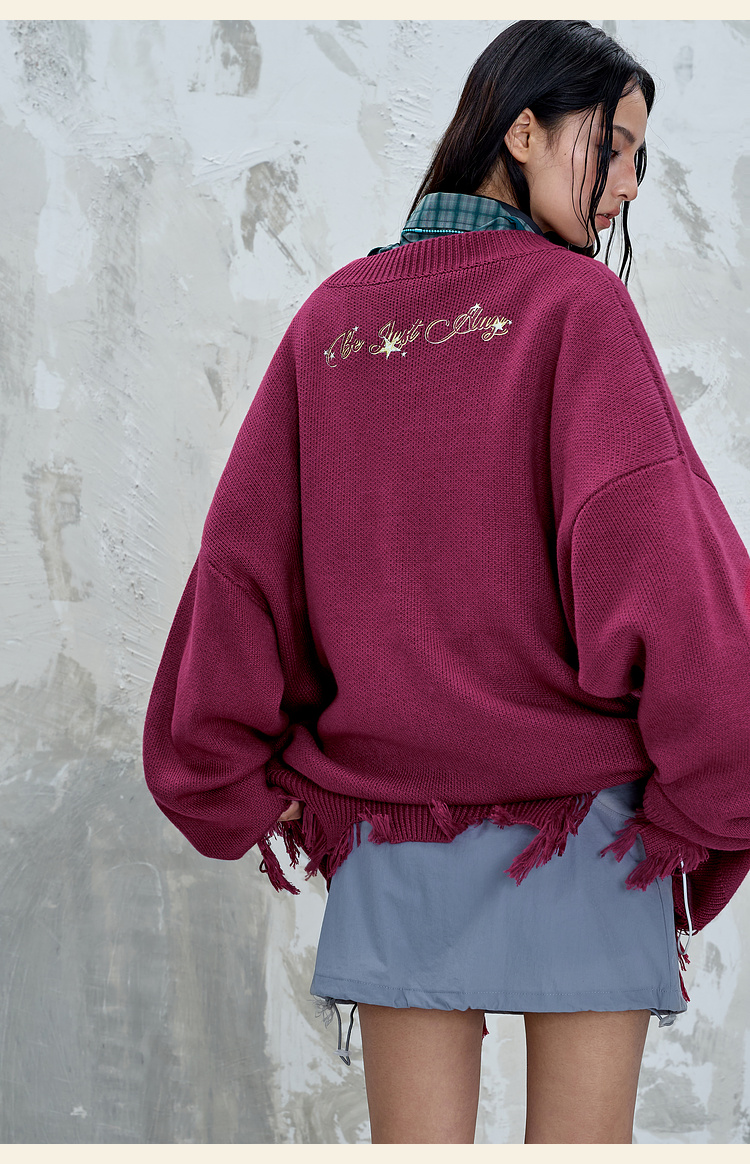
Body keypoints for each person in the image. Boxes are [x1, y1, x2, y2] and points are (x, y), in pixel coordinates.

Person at [142, 20, 750, 1145]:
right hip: (587, 832)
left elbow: (243, 574)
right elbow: (676, 580)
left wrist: (234, 782)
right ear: (521, 132)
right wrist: (712, 799)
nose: (627, 184)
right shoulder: (577, 310)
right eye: (611, 145)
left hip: (396, 837)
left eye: (640, 157)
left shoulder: (333, 321)